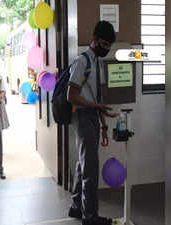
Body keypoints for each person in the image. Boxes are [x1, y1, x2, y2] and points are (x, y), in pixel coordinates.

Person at [66, 21, 119, 225]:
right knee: (91, 169)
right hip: (82, 116)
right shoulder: (83, 61)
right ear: (95, 40)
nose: (106, 49)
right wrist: (96, 109)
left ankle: (76, 207)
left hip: (92, 116)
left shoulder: (97, 62)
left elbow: (97, 99)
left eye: (109, 46)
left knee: (83, 165)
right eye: (104, 44)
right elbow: (72, 95)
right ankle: (90, 217)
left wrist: (103, 125)